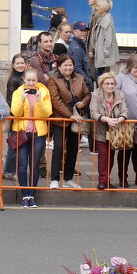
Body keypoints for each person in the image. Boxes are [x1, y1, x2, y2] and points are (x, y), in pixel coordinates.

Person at [46, 55, 91, 190]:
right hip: (60, 120)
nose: (68, 68)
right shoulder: (53, 79)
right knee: (58, 147)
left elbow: (88, 94)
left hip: (76, 120)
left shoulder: (80, 78)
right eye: (65, 65)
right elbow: (55, 101)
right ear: (59, 67)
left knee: (73, 149)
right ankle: (54, 179)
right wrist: (70, 115)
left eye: (70, 65)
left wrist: (82, 103)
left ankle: (68, 178)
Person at [9, 67, 52, 207]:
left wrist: (39, 101)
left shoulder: (44, 92)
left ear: (37, 80)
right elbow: (15, 113)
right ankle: (24, 196)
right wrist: (22, 99)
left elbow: (47, 113)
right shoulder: (17, 92)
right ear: (24, 80)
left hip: (38, 133)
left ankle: (32, 196)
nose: (31, 83)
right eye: (29, 80)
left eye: (34, 80)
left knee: (34, 165)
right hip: (22, 131)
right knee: (22, 165)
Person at [89, 72, 128, 190]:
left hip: (115, 130)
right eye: (107, 84)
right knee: (103, 155)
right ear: (102, 85)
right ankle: (102, 181)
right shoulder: (96, 95)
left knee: (111, 156)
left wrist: (118, 119)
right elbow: (93, 112)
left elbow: (125, 111)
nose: (110, 86)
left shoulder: (119, 95)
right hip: (101, 130)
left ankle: (106, 180)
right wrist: (107, 119)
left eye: (112, 83)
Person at [90, 0, 119, 78]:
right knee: (99, 76)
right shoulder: (102, 19)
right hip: (101, 56)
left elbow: (108, 39)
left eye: (98, 6)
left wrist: (104, 54)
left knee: (102, 77)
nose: (97, 8)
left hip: (103, 57)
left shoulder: (107, 21)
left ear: (103, 8)